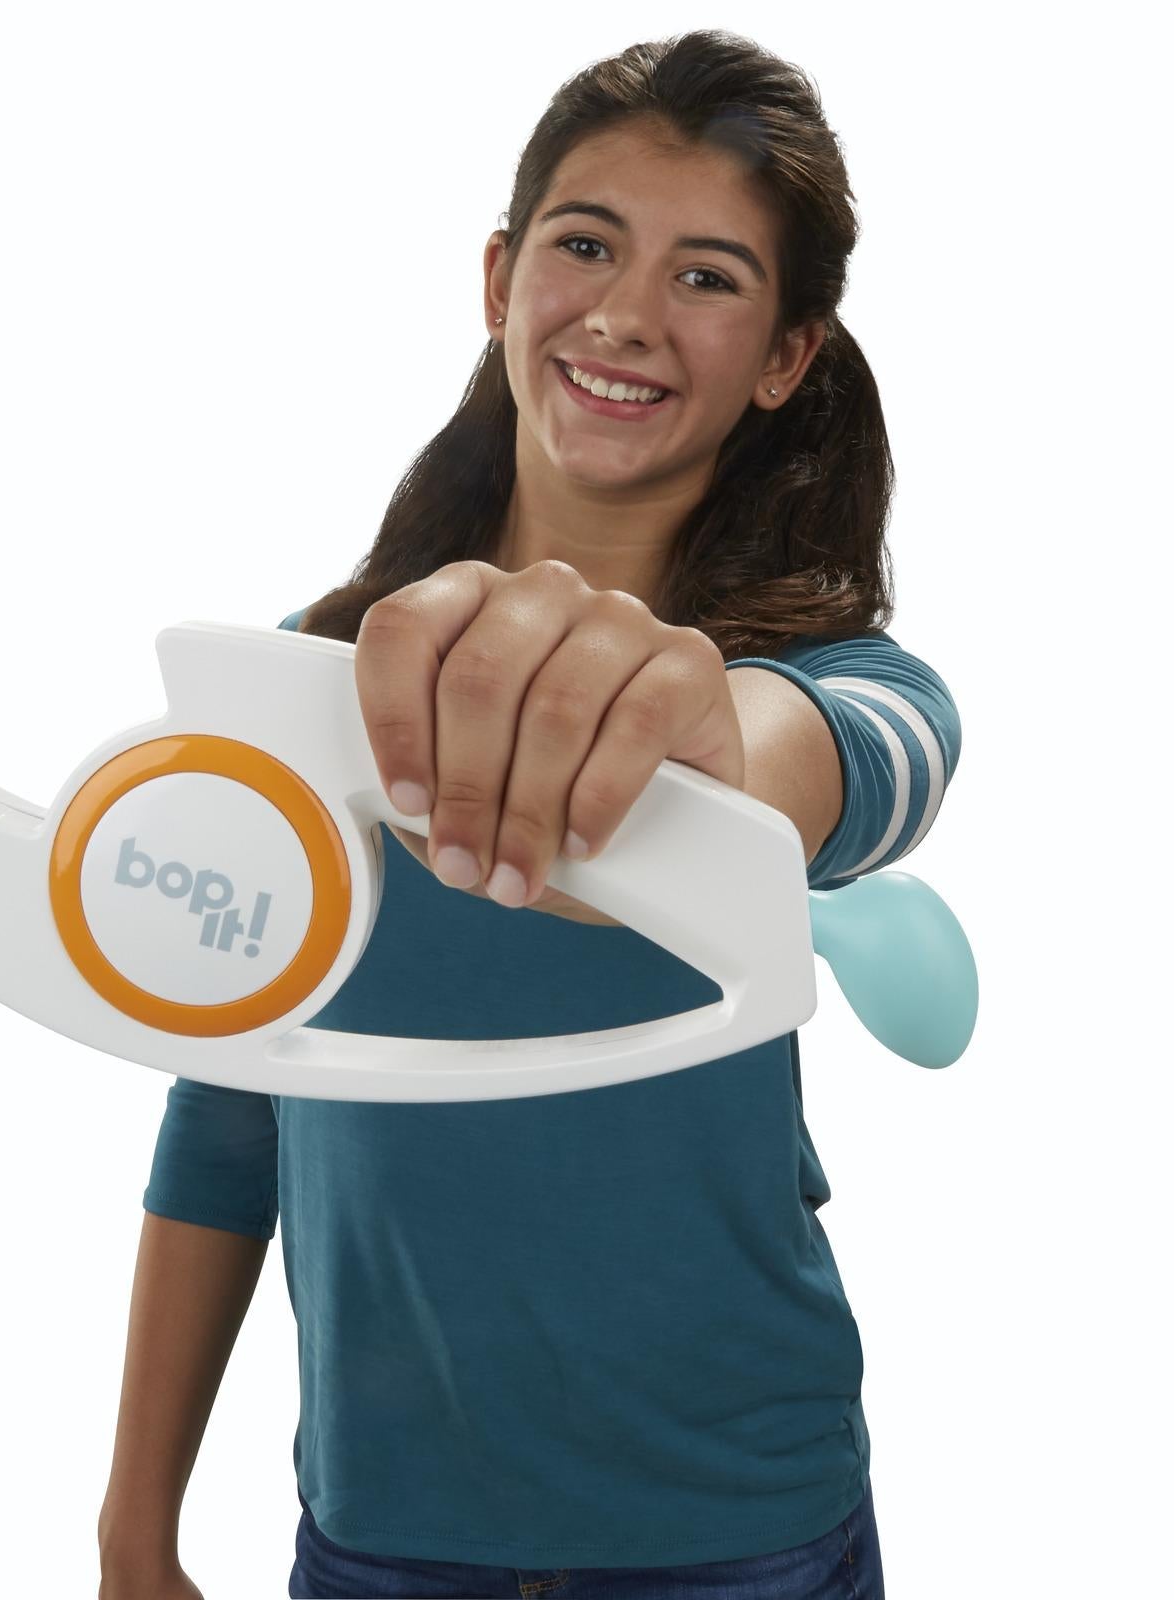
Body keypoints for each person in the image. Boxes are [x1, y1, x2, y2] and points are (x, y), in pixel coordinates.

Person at [99, 27, 958, 1600]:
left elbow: (835, 762)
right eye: (585, 244)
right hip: (381, 1534)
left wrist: (706, 751)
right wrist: (132, 1531)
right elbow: (225, 1117)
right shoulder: (302, 688)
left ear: (785, 358)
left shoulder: (847, 687)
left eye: (708, 277)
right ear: (499, 278)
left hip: (741, 1536)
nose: (625, 314)